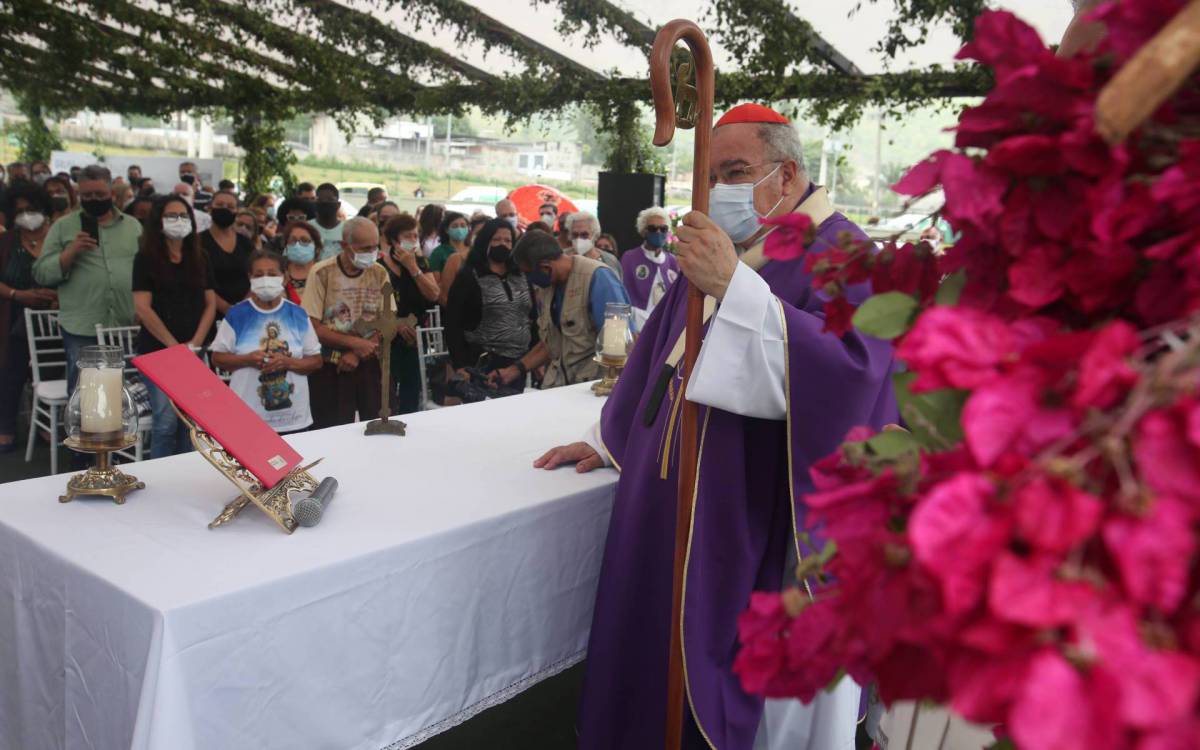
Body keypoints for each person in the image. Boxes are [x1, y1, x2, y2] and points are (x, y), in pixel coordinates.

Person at [532, 103, 897, 750]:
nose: (720, 191)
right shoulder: (733, 248)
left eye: (735, 172)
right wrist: (600, 439)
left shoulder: (845, 254)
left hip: (753, 514)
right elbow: (657, 360)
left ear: (786, 177)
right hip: (669, 493)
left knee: (727, 679)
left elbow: (856, 376)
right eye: (710, 176)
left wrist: (735, 287)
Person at [33, 164, 142, 397]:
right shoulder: (63, 227)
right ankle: (81, 434)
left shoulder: (133, 227)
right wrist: (70, 252)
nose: (94, 199)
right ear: (78, 194)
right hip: (82, 326)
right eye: (87, 195)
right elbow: (41, 273)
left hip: (125, 323)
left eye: (100, 195)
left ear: (112, 193)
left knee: (124, 396)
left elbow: (146, 272)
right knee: (85, 396)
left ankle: (120, 435)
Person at [132, 195, 217, 458]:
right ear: (158, 221)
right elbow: (142, 308)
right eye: (171, 216)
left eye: (183, 216)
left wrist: (195, 344)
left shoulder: (200, 256)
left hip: (194, 350)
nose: (178, 221)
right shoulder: (145, 258)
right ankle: (159, 479)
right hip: (159, 352)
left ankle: (185, 474)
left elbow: (210, 304)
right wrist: (175, 348)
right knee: (167, 421)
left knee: (193, 423)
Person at [210, 249, 322, 433]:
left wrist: (287, 362)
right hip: (248, 420)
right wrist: (248, 359)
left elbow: (316, 361)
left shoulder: (298, 315)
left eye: (272, 274)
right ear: (250, 278)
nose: (265, 279)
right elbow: (218, 358)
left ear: (284, 277)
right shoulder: (237, 315)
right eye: (258, 275)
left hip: (294, 420)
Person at [505, 228, 629, 389]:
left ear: (545, 267)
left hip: (593, 389)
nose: (528, 279)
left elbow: (619, 345)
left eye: (528, 273)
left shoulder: (599, 279)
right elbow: (552, 342)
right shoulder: (548, 285)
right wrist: (514, 370)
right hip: (559, 388)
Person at [301, 216, 389, 428]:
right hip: (330, 364)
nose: (371, 253)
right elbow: (313, 326)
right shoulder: (322, 272)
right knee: (331, 427)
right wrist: (354, 344)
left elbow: (387, 321)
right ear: (344, 245)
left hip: (369, 359)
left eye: (374, 247)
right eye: (364, 248)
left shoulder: (379, 272)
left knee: (376, 424)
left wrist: (358, 352)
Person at [0, 183, 58, 453]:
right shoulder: (6, 241)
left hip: (55, 316)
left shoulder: (58, 238)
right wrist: (18, 294)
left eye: (31, 209)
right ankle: (6, 429)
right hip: (13, 314)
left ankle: (50, 426)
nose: (26, 215)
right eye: (20, 210)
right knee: (11, 372)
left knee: (51, 370)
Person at [444, 218, 535, 390]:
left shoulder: (521, 276)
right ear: (485, 241)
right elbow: (453, 322)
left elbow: (532, 316)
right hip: (483, 361)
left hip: (518, 362)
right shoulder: (470, 277)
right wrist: (460, 364)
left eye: (508, 240)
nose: (503, 244)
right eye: (496, 240)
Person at [378, 213, 439, 413]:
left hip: (416, 339)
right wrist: (396, 323)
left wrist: (413, 267)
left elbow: (433, 294)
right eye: (407, 236)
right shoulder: (380, 268)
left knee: (411, 395)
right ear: (394, 240)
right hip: (387, 339)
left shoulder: (421, 264)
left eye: (415, 236)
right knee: (386, 395)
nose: (413, 240)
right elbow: (372, 305)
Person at [622, 206, 681, 328]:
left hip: (665, 323)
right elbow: (623, 295)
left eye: (663, 228)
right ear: (644, 231)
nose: (658, 232)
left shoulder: (672, 261)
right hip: (638, 322)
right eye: (653, 228)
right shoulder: (630, 258)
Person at [202, 189, 254, 316]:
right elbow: (197, 281)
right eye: (219, 205)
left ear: (236, 211)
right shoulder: (197, 242)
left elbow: (256, 274)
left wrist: (243, 305)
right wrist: (226, 308)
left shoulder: (246, 243)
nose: (225, 209)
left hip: (245, 311)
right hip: (209, 313)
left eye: (230, 206)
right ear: (210, 208)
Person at [567, 211, 622, 279]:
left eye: (584, 235)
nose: (579, 239)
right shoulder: (562, 259)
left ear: (595, 235)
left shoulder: (610, 260)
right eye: (575, 235)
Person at [280, 220, 322, 305]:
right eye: (293, 240)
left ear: (316, 247)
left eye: (305, 240)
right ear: (286, 246)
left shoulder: (324, 275)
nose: (298, 245)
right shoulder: (278, 274)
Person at [427, 211, 469, 289]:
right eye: (455, 226)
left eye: (463, 226)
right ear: (446, 230)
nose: (459, 229)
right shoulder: (438, 252)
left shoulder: (472, 250)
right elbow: (436, 282)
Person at [313, 183, 344, 261]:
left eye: (330, 200)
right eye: (321, 200)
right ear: (315, 203)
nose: (325, 203)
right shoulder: (306, 227)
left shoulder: (348, 229)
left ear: (338, 204)